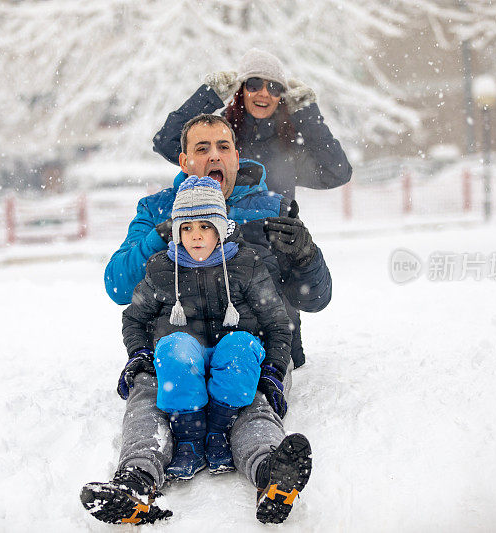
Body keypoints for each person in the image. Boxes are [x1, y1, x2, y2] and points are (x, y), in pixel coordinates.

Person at [82, 114, 331, 525]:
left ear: (236, 156)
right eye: (202, 148)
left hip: (255, 348)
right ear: (183, 161)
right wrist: (161, 236)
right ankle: (136, 479)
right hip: (177, 345)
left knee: (252, 401)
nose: (215, 155)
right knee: (149, 391)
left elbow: (316, 298)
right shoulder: (158, 210)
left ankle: (271, 473)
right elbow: (119, 287)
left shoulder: (270, 207)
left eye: (224, 146)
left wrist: (306, 258)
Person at [121, 175, 295, 485]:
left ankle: (221, 430)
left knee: (240, 347)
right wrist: (139, 353)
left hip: (231, 359)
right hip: (186, 364)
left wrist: (274, 369)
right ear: (176, 232)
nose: (196, 236)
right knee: (175, 349)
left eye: (205, 227)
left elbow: (276, 322)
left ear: (220, 228)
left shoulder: (245, 263)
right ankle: (189, 437)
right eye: (186, 228)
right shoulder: (162, 268)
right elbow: (134, 317)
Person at [153, 48, 352, 201]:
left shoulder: (288, 144)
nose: (264, 93)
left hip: (278, 251)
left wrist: (307, 114)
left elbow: (337, 173)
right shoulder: (219, 137)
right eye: (254, 84)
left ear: (281, 97)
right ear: (240, 90)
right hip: (226, 249)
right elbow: (167, 143)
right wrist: (209, 95)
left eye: (274, 87)